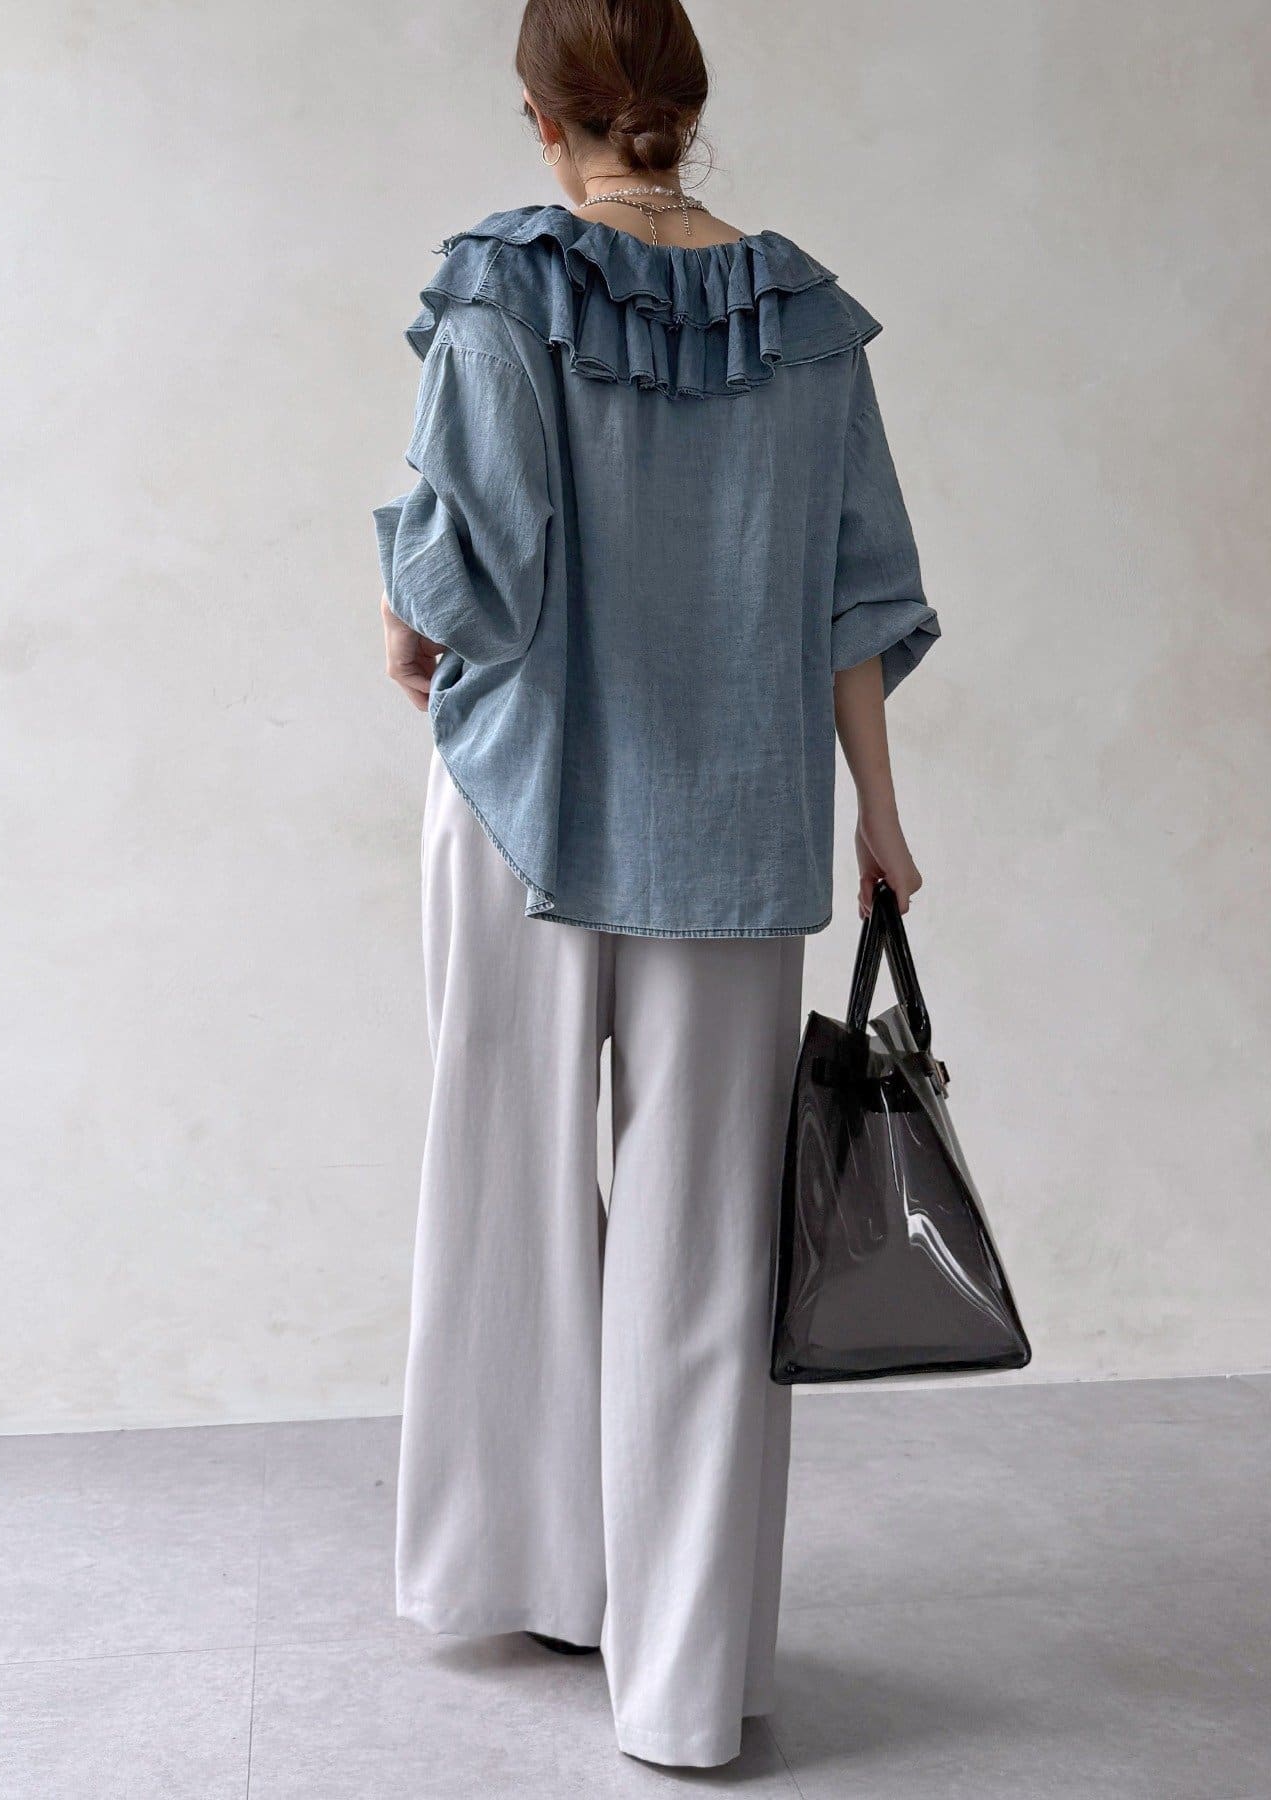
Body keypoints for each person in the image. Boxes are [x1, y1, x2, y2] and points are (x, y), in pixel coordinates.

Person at [374, 0, 938, 1769]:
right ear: (686, 110)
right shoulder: (808, 318)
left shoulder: (500, 283)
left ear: (542, 120)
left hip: (524, 816)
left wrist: (398, 618)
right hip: (742, 829)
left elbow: (464, 579)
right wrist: (879, 815)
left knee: (508, 1205)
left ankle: (543, 1576)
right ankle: (686, 1692)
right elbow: (856, 596)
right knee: (707, 1250)